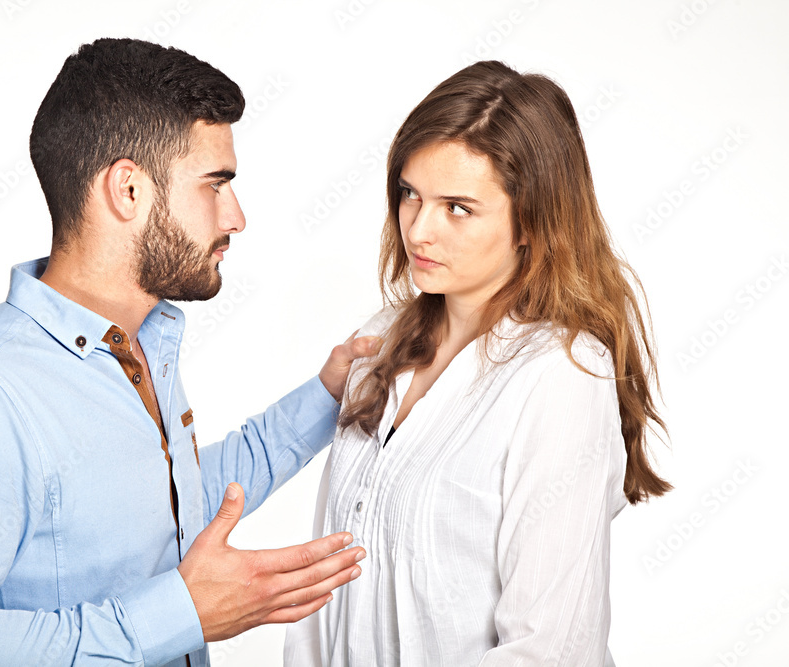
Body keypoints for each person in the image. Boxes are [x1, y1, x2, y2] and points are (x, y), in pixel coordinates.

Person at [0, 38, 377, 667]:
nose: (236, 217)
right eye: (215, 185)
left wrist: (330, 395)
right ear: (128, 190)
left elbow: (167, 503)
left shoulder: (139, 344)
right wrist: (180, 616)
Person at [284, 60, 672, 666]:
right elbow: (323, 590)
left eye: (458, 207)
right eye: (410, 194)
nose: (419, 229)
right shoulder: (378, 340)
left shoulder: (562, 376)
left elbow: (548, 650)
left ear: (532, 222)